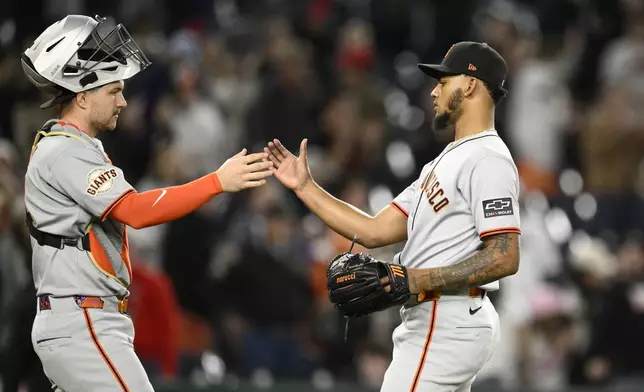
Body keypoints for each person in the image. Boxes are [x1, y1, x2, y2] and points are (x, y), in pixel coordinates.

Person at [20, 14, 273, 392]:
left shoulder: (73, 148)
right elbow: (135, 211)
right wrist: (217, 181)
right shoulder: (65, 151)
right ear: (83, 94)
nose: (123, 100)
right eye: (113, 90)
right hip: (82, 321)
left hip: (82, 318)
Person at [265, 41, 521, 391]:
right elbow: (373, 230)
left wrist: (414, 279)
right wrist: (306, 188)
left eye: (444, 82)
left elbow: (504, 255)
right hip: (442, 317)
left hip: (446, 318)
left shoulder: (488, 157)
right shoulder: (446, 160)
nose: (434, 91)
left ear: (471, 84)